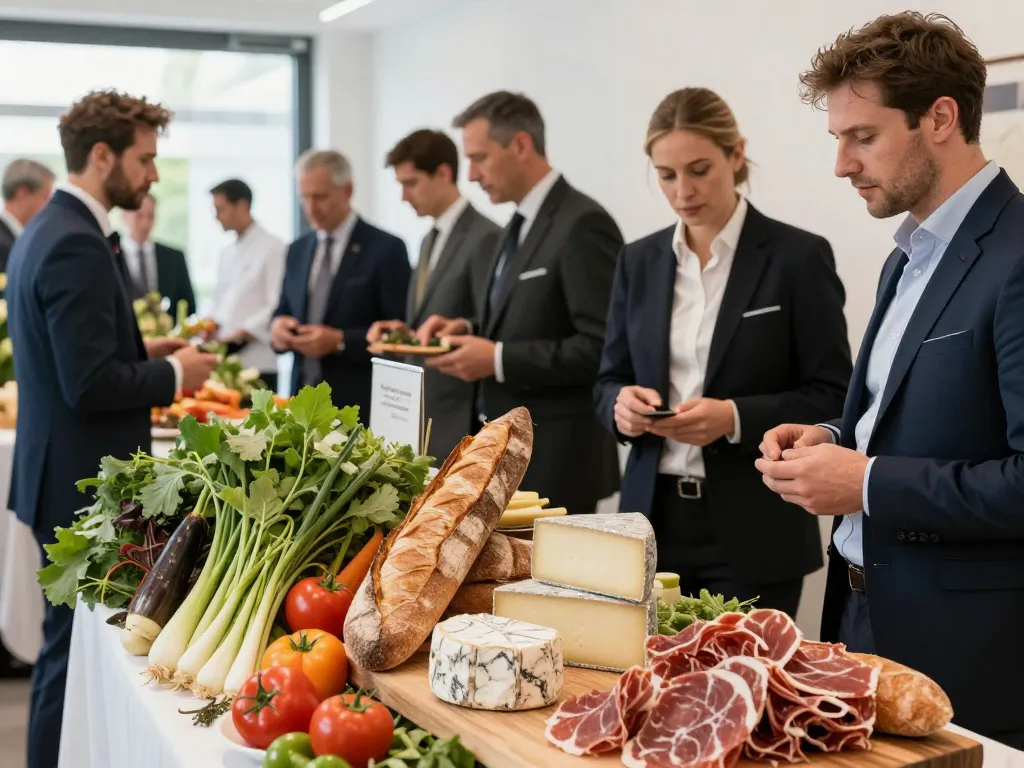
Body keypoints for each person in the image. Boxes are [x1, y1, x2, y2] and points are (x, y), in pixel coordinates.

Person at [756, 12, 1024, 748]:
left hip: (967, 651)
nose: (842, 164)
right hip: (856, 618)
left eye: (862, 137)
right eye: (838, 139)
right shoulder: (904, 256)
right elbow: (896, 414)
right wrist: (830, 438)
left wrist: (865, 482)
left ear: (941, 117)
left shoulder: (1018, 256)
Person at [6, 89, 217, 768]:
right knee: (66, 661)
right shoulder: (74, 242)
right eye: (145, 159)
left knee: (68, 655)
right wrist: (179, 374)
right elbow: (90, 386)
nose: (153, 175)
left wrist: (145, 353)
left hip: (58, 470)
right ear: (103, 157)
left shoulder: (52, 227)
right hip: (78, 482)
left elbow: (79, 357)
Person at [594, 88, 851, 616]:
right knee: (648, 690)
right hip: (649, 522)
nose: (683, 190)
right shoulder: (638, 261)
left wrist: (733, 418)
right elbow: (606, 379)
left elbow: (835, 394)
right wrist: (620, 406)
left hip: (756, 523)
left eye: (699, 169)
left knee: (747, 690)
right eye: (667, 175)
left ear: (736, 155)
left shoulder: (797, 258)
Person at [419, 91, 623, 514]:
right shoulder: (516, 223)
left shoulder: (583, 223)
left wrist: (495, 358)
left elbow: (600, 347)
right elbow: (526, 317)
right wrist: (468, 330)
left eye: (479, 158)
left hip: (560, 457)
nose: (471, 176)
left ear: (520, 145)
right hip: (511, 450)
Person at [368, 129, 501, 460]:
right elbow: (433, 324)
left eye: (410, 183)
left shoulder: (487, 236)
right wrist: (403, 335)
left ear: (443, 173)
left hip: (460, 418)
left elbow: (490, 322)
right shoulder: (429, 238)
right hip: (421, 414)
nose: (403, 196)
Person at [271, 150, 410, 415]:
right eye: (305, 197)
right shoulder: (297, 250)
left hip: (360, 405)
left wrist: (341, 341)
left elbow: (401, 331)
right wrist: (277, 328)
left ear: (347, 191)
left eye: (320, 197)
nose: (311, 208)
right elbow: (284, 309)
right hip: (301, 404)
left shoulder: (386, 249)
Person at [208, 179, 286, 391]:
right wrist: (210, 325)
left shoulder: (273, 248)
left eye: (220, 209)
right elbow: (220, 300)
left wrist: (243, 333)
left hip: (258, 362)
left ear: (242, 206)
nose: (216, 217)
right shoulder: (226, 253)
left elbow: (276, 304)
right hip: (225, 362)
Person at [120, 192, 196, 314]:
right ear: (124, 216)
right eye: (139, 216)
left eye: (151, 216)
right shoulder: (111, 256)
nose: (145, 224)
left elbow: (189, 307)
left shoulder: (174, 258)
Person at [0, 159, 55, 273]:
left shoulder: (20, 238)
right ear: (22, 193)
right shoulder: (3, 244)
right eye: (45, 197)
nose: (49, 206)